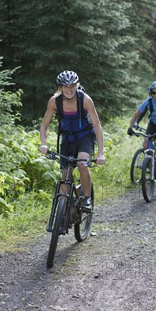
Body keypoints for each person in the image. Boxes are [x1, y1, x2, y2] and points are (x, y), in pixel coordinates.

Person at [39, 70, 105, 211]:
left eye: (72, 85)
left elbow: (97, 127)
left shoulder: (85, 100)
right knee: (65, 173)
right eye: (65, 86)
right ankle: (63, 211)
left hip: (85, 137)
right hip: (67, 139)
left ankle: (87, 198)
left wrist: (101, 153)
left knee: (82, 163)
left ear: (77, 85)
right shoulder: (54, 101)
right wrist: (43, 144)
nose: (69, 89)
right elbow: (44, 125)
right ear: (60, 87)